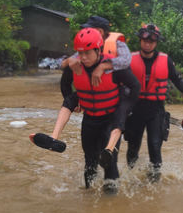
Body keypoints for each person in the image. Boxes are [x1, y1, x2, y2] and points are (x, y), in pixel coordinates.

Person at [32, 28, 140, 193]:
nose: (82, 57)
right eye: (80, 53)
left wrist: (126, 109)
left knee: (108, 162)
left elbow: (135, 86)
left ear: (97, 50)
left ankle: (110, 203)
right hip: (90, 120)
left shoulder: (113, 67)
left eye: (87, 53)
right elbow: (65, 85)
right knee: (89, 161)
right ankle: (89, 193)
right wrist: (75, 103)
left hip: (111, 119)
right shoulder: (74, 66)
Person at [125, 23, 183, 182]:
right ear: (140, 40)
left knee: (155, 146)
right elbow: (116, 80)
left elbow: (178, 81)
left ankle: (155, 182)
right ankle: (131, 177)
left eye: (152, 41)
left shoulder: (165, 61)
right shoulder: (129, 59)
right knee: (133, 147)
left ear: (156, 42)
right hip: (134, 110)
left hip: (156, 111)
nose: (148, 43)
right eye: (145, 40)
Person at [59, 15, 131, 153]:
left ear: (100, 31)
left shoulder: (117, 45)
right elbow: (67, 63)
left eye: (89, 29)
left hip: (116, 100)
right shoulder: (87, 47)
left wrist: (103, 66)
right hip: (93, 103)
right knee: (90, 158)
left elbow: (126, 61)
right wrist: (68, 62)